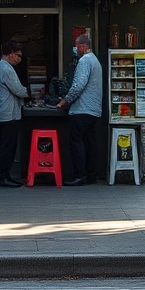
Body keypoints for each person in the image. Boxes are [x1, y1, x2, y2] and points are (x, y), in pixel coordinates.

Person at [57, 33, 103, 186]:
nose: (75, 50)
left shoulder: (84, 61)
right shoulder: (95, 61)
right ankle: (91, 174)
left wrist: (65, 100)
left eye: (76, 47)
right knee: (90, 142)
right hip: (94, 109)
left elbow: (78, 85)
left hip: (82, 108)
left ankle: (79, 175)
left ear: (83, 46)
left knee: (76, 141)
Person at [0, 40, 28, 188]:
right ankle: (4, 177)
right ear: (11, 54)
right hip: (8, 113)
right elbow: (19, 90)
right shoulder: (7, 70)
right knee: (8, 147)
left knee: (0, 145)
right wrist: (28, 92)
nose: (20, 59)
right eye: (19, 56)